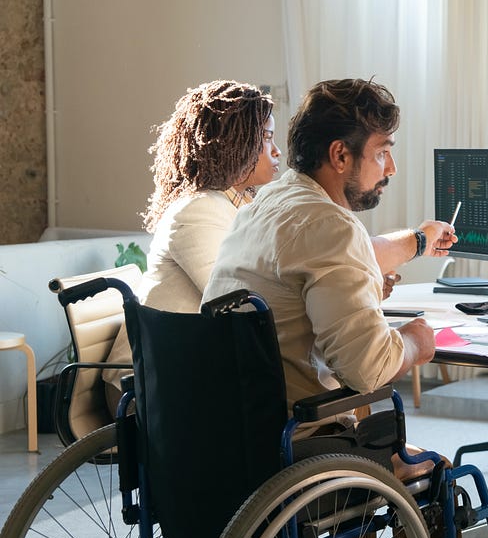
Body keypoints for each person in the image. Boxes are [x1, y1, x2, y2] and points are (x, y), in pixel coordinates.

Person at [202, 77, 455, 408]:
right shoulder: (333, 227)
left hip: (231, 428)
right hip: (298, 439)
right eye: (382, 153)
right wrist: (413, 341)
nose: (391, 169)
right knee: (442, 463)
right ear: (340, 155)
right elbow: (369, 370)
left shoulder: (266, 201)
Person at [103, 80, 280, 410]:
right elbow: (233, 301)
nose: (277, 150)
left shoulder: (236, 206)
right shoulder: (197, 210)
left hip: (184, 366)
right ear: (234, 143)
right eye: (267, 138)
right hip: (142, 386)